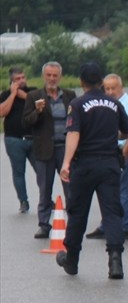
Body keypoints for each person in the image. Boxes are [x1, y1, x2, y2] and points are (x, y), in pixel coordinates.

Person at [55, 62, 128, 279]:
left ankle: (72, 261)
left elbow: (73, 134)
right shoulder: (114, 104)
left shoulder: (77, 104)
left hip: (85, 165)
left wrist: (66, 162)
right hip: (109, 164)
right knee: (112, 212)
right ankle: (115, 262)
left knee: (78, 212)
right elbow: (126, 131)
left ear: (81, 82)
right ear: (101, 81)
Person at [22, 61, 76, 238]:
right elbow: (26, 122)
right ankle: (44, 224)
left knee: (70, 188)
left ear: (60, 77)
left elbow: (77, 120)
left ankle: (74, 223)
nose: (52, 79)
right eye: (49, 75)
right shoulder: (34, 96)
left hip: (65, 149)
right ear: (44, 76)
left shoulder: (69, 95)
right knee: (44, 188)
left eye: (55, 75)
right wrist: (37, 112)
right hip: (44, 149)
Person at [86, 74, 128, 239]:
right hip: (106, 154)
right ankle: (107, 225)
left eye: (113, 88)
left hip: (122, 153)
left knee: (123, 191)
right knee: (107, 192)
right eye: (107, 88)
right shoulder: (106, 103)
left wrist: (124, 153)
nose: (110, 91)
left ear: (121, 87)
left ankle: (124, 226)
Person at [0, 66, 31, 213]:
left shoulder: (33, 91)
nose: (21, 81)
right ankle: (23, 200)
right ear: (11, 81)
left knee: (42, 171)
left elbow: (39, 104)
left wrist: (22, 94)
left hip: (33, 138)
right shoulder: (5, 94)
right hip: (14, 139)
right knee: (18, 172)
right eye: (18, 79)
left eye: (23, 78)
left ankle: (46, 199)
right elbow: (2, 112)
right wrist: (13, 95)